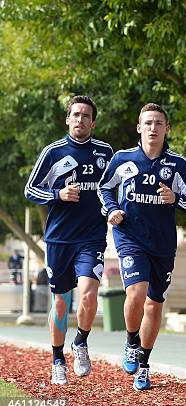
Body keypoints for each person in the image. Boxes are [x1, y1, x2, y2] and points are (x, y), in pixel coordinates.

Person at [98, 103, 186, 391]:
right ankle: (131, 341)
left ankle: (144, 364)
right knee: (137, 291)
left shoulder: (178, 165)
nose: (153, 128)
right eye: (148, 123)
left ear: (166, 128)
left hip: (163, 243)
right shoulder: (123, 159)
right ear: (139, 128)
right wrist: (111, 209)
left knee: (155, 304)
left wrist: (175, 199)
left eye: (159, 123)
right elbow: (104, 187)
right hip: (129, 236)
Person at [24, 95, 113, 385]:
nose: (80, 119)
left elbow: (112, 187)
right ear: (67, 119)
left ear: (93, 122)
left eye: (86, 116)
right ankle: (57, 360)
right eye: (75, 115)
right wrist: (57, 195)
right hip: (59, 240)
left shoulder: (105, 152)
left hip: (92, 237)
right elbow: (30, 190)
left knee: (88, 293)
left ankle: (81, 341)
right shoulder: (53, 153)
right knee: (60, 303)